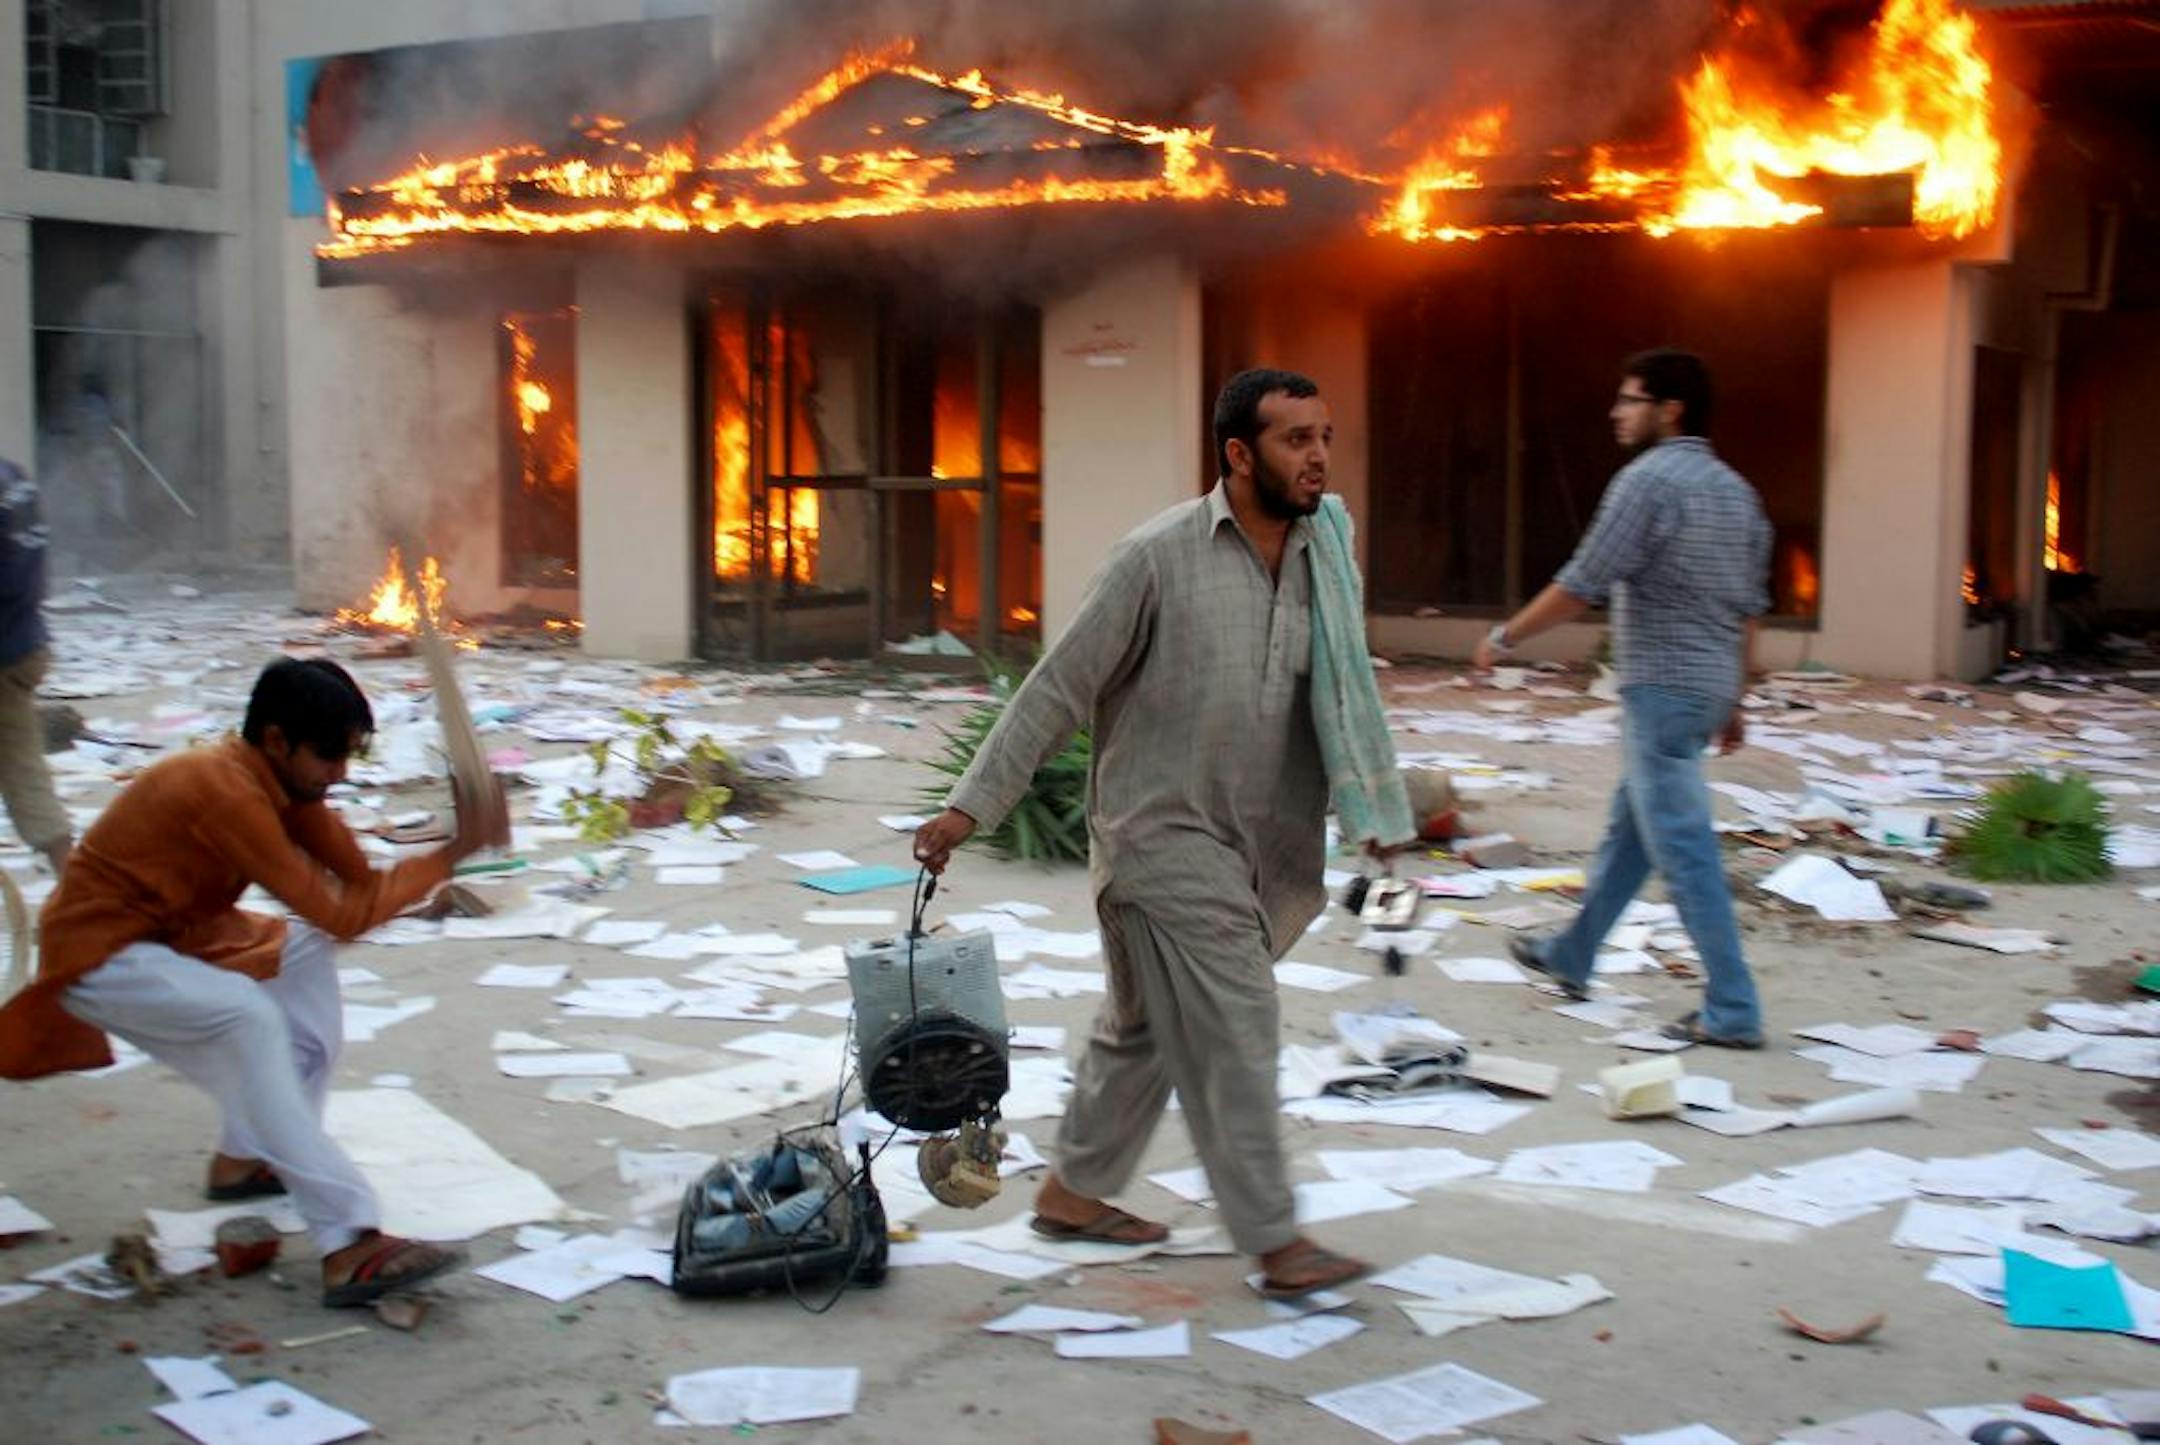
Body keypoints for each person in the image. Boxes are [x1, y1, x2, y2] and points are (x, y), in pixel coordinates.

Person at [914, 367, 1400, 1298]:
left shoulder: (1325, 558)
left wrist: (1375, 803)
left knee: (1140, 1031)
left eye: (1324, 435)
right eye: (1296, 439)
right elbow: (1060, 683)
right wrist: (970, 805)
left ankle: (1073, 1192)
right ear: (1237, 452)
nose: (1318, 458)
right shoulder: (1157, 556)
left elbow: (1343, 696)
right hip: (1160, 839)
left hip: (1262, 844)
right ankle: (1275, 1240)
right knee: (1237, 1025)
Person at [0, 658, 509, 1306]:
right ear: (276, 740)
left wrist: (456, 832)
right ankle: (347, 1237)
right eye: (329, 754)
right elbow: (346, 911)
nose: (340, 772)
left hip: (182, 934)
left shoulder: (289, 785)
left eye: (350, 754)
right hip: (99, 951)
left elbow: (356, 880)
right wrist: (454, 851)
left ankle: (245, 1156)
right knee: (250, 1017)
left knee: (300, 951)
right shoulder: (223, 790)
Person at [1473, 347, 1771, 1048]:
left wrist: (1505, 637)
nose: (1616, 411)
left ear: (1670, 410)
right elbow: (1750, 607)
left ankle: (1733, 1006)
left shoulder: (1648, 482)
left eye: (1629, 399)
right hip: (1704, 687)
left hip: (1662, 688)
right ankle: (1573, 952)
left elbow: (1584, 582)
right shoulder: (1738, 492)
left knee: (1685, 848)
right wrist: (1735, 695)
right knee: (1633, 833)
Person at [0, 457, 71, 875]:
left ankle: (82, 892)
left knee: (23, 769)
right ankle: (80, 887)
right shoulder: (15, 479)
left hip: (4, 649)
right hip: (26, 640)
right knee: (24, 768)